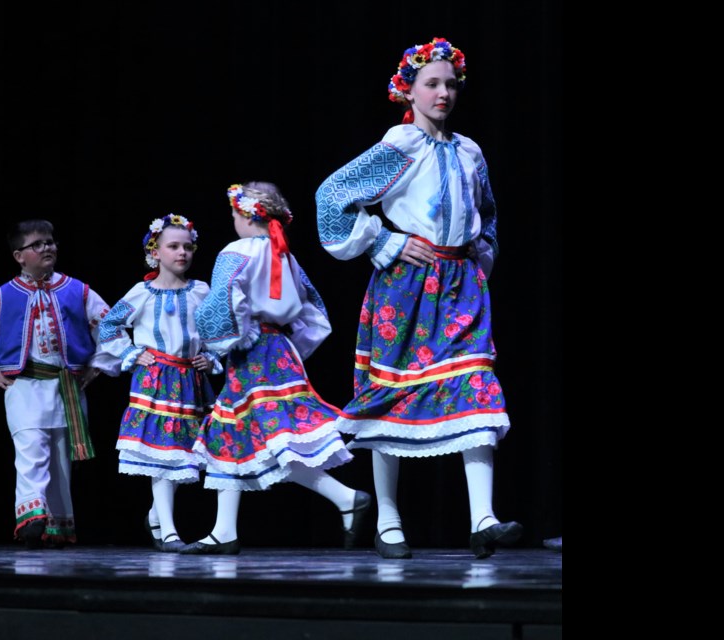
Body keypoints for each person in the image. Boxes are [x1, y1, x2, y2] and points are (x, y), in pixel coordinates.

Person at [315, 38, 521, 559]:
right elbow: (331, 197)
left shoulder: (470, 149)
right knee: (391, 395)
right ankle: (388, 517)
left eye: (451, 83)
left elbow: (488, 212)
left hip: (461, 285)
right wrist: (386, 241)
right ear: (409, 89)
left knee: (477, 385)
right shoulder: (401, 145)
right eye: (432, 83)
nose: (444, 93)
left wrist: (481, 257)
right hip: (405, 288)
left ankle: (483, 519)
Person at [181, 182, 372, 555]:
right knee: (238, 435)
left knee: (258, 437)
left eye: (234, 215)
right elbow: (314, 313)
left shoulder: (236, 251)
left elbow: (222, 303)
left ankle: (344, 497)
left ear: (248, 215)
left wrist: (224, 341)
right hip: (279, 349)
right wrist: (291, 348)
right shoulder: (285, 255)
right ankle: (225, 529)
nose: (233, 222)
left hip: (253, 352)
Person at [0, 219, 111, 549]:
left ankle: (57, 527)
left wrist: (97, 365)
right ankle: (31, 519)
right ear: (19, 255)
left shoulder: (77, 290)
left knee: (60, 460)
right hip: (25, 387)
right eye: (38, 244)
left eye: (50, 242)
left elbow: (109, 325)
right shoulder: (3, 296)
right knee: (31, 452)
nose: (48, 248)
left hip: (66, 388)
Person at [93, 214, 222, 552]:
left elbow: (214, 332)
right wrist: (132, 353)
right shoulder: (142, 293)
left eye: (188, 247)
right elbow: (109, 326)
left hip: (190, 380)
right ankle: (169, 532)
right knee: (162, 457)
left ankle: (155, 515)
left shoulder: (201, 291)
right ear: (156, 251)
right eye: (174, 246)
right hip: (155, 380)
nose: (182, 253)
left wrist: (211, 359)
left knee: (185, 455)